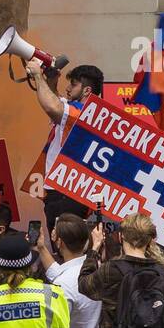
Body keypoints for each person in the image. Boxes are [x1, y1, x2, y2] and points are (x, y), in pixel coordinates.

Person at [24, 59, 105, 232]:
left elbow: (53, 106)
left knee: (65, 244)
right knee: (62, 244)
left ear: (87, 90)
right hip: (61, 192)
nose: (67, 88)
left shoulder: (83, 113)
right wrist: (51, 80)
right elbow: (55, 100)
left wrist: (38, 75)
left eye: (73, 85)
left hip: (67, 193)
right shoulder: (76, 109)